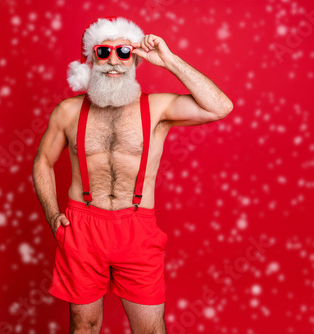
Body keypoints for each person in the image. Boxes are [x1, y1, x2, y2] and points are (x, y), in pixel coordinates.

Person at [32, 16, 233, 334]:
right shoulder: (67, 111)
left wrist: (169, 60)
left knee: (150, 329)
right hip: (82, 229)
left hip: (137, 229)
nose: (114, 60)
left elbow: (219, 107)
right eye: (104, 51)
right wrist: (52, 214)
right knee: (84, 326)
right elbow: (42, 160)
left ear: (136, 58)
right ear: (90, 58)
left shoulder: (158, 109)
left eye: (124, 51)